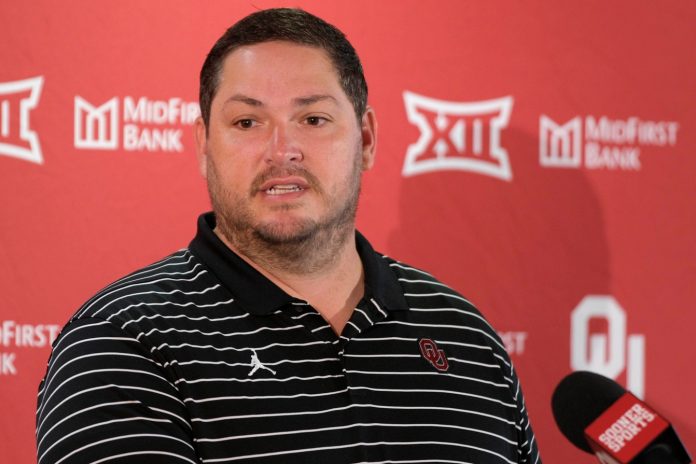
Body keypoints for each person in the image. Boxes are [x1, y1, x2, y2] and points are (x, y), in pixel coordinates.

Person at [36, 8, 541, 463]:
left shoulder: (466, 337)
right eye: (248, 121)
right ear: (203, 146)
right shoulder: (121, 343)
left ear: (365, 139)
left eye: (313, 118)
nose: (283, 150)